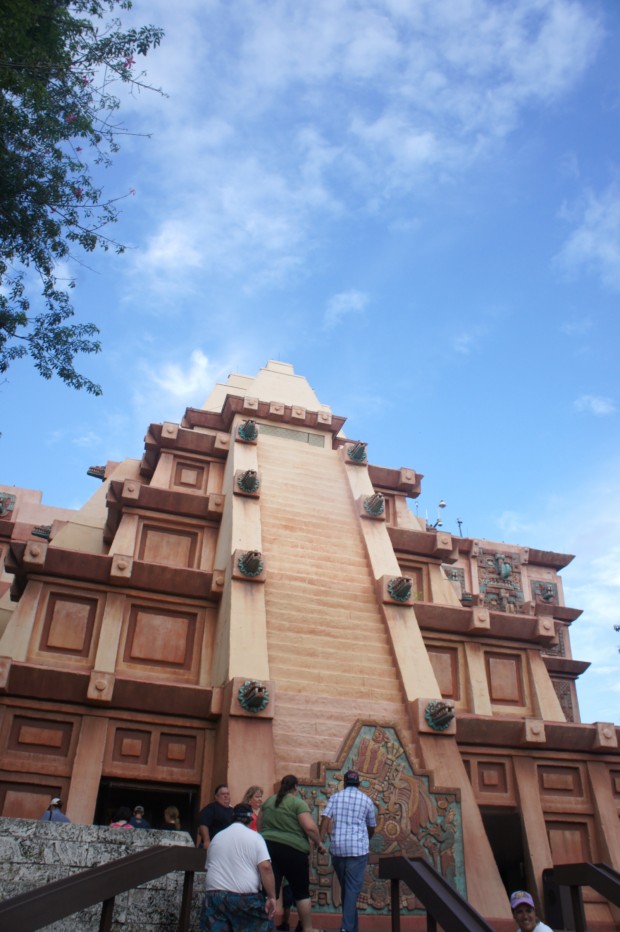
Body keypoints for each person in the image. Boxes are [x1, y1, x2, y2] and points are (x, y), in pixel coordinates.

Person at [259, 774, 326, 932]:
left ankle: (263, 926)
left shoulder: (269, 801)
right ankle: (308, 929)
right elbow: (310, 827)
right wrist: (319, 842)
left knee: (269, 892)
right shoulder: (297, 803)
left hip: (269, 849)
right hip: (293, 851)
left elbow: (260, 824)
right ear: (296, 787)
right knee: (301, 892)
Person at [200, 802, 276, 932]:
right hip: (244, 899)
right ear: (250, 819)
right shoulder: (255, 838)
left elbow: (209, 867)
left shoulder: (217, 838)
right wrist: (271, 897)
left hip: (214, 898)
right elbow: (265, 867)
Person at [319, 770, 376, 932]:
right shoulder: (366, 800)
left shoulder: (335, 797)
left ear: (344, 783)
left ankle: (352, 927)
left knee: (347, 889)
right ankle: (346, 928)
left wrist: (320, 841)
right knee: (351, 890)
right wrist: (366, 838)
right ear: (358, 784)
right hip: (358, 850)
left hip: (338, 849)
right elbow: (372, 826)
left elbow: (325, 818)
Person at [198, 784, 234, 848]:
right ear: (216, 797)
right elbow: (203, 823)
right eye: (223, 794)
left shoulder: (233, 811)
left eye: (227, 794)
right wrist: (207, 841)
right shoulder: (211, 808)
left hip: (228, 846)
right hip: (214, 845)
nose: (226, 796)